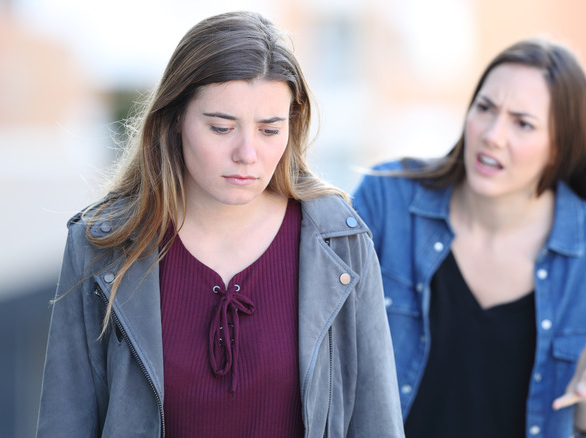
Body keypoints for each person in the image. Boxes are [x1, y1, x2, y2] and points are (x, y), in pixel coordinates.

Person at [36, 11, 404, 438]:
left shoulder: (341, 241)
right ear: (174, 121)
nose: (247, 153)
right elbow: (65, 421)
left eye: (269, 130)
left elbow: (377, 424)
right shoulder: (100, 244)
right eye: (221, 127)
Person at [352, 38, 586, 438]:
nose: (493, 135)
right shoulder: (387, 201)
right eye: (485, 109)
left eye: (523, 123)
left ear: (559, 148)